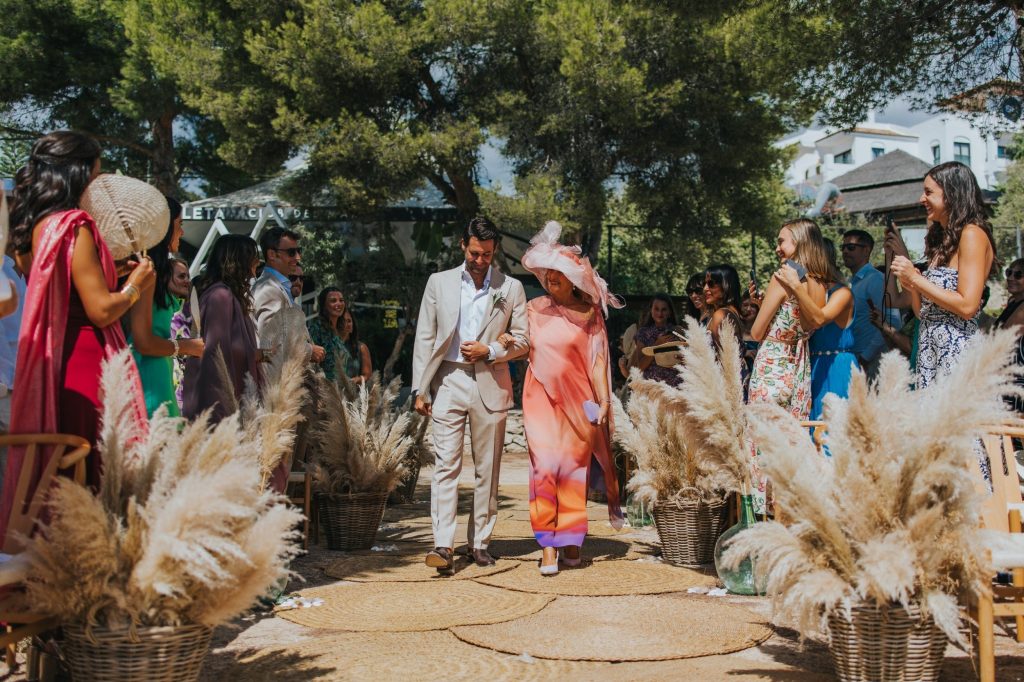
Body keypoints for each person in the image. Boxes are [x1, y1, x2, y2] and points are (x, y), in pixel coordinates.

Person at [0, 131, 154, 540]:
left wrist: (110, 275)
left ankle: (55, 561)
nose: (98, 184)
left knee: (62, 475)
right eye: (96, 173)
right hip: (88, 362)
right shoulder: (76, 226)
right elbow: (100, 310)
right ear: (79, 173)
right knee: (97, 474)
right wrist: (135, 285)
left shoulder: (33, 227)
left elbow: (63, 288)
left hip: (55, 362)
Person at [412, 217, 530, 572]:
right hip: (448, 379)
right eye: (475, 253)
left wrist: (490, 350)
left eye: (487, 255)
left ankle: (480, 543)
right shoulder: (438, 282)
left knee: (487, 468)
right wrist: (420, 388)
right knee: (445, 465)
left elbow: (523, 340)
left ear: (495, 252)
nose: (480, 261)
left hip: (490, 382)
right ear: (463, 245)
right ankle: (443, 545)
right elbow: (425, 336)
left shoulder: (511, 287)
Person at [513, 220, 624, 575]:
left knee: (574, 471)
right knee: (545, 468)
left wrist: (604, 402)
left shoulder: (590, 315)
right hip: (540, 400)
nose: (550, 279)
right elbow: (518, 344)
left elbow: (598, 362)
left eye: (557, 273)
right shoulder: (533, 309)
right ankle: (548, 544)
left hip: (579, 404)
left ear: (573, 279)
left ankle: (571, 540)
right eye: (546, 274)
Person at [890, 161, 996, 479]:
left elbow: (968, 305)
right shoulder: (941, 241)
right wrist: (911, 282)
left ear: (951, 194)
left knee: (959, 442)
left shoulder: (973, 234)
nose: (922, 199)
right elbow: (922, 312)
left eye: (929, 192)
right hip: (930, 350)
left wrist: (916, 279)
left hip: (957, 352)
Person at [748, 219, 828, 513]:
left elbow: (757, 331)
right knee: (791, 444)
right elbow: (805, 322)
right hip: (798, 368)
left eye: (782, 241)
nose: (777, 248)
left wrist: (760, 313)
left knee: (762, 443)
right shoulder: (819, 282)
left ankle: (762, 514)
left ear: (799, 242)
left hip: (772, 363)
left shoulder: (783, 277)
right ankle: (787, 512)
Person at [127, 196, 204, 417]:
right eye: (180, 224)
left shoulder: (156, 272)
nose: (182, 232)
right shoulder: (146, 271)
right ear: (164, 227)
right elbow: (143, 343)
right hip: (147, 375)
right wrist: (186, 347)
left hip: (158, 371)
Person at [775, 238, 857, 424]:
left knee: (835, 428)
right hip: (810, 365)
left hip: (836, 366)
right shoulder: (810, 294)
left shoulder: (843, 293)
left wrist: (797, 286)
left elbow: (819, 319)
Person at [182, 234, 261, 424]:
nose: (253, 274)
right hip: (220, 399)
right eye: (252, 263)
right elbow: (215, 353)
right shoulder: (220, 296)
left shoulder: (228, 295)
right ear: (239, 262)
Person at [253, 226, 325, 364]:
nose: (298, 257)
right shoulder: (269, 290)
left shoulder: (277, 287)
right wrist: (310, 351)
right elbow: (270, 344)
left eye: (299, 251)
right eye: (291, 252)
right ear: (272, 254)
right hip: (276, 375)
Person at [840, 229, 885, 381]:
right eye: (843, 247)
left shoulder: (875, 279)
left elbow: (891, 323)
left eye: (851, 247)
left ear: (866, 250)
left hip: (871, 363)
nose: (845, 251)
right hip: (853, 359)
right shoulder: (850, 282)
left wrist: (865, 357)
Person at [629, 294, 682, 386]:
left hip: (674, 387)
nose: (660, 313)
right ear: (651, 310)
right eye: (656, 309)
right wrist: (656, 346)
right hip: (652, 387)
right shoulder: (643, 333)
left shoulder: (677, 331)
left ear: (669, 312)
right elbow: (639, 368)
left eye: (664, 309)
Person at [995, 258, 1024, 414]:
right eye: (1009, 272)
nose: (1011, 278)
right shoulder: (1013, 302)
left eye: (1018, 274)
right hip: (1006, 377)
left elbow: (1003, 336)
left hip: (1016, 382)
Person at [307, 286, 349, 382]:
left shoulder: (339, 331)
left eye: (341, 300)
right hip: (322, 387)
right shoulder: (316, 329)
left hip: (340, 387)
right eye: (333, 301)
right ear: (324, 305)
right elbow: (310, 362)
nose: (338, 304)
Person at [340, 309, 372, 384]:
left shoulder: (361, 348)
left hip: (352, 389)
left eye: (349, 321)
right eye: (343, 321)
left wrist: (356, 380)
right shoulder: (329, 345)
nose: (347, 324)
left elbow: (367, 375)